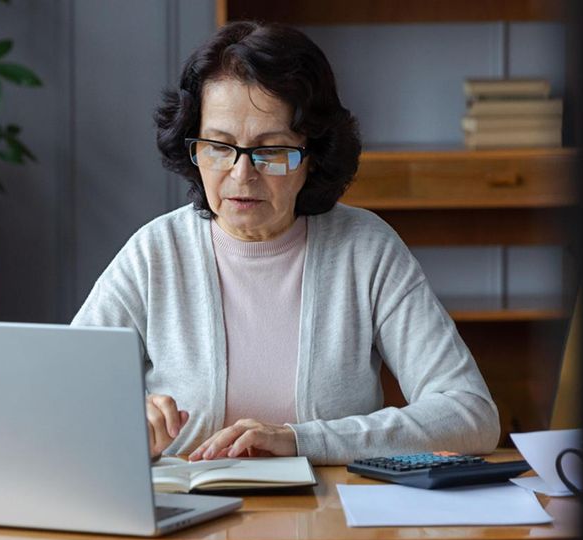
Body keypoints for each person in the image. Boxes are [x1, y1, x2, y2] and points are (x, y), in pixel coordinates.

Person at [72, 21, 499, 465]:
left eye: (271, 150)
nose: (242, 175)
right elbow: (60, 393)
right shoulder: (155, 254)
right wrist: (124, 420)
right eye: (219, 146)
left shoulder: (366, 250)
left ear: (313, 157)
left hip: (330, 505)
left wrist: (302, 440)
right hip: (188, 505)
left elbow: (470, 414)